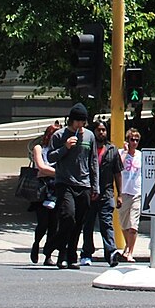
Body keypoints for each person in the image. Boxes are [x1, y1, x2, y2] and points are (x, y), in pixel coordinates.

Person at [45, 102, 99, 269]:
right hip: (65, 182)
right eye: (77, 121)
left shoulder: (89, 136)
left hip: (84, 184)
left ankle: (70, 256)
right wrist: (65, 147)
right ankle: (58, 250)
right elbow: (51, 157)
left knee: (78, 223)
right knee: (68, 217)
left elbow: (94, 161)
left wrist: (95, 186)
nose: (80, 125)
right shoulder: (60, 135)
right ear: (71, 121)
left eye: (83, 122)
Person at [80, 120, 123, 267]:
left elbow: (118, 173)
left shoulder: (112, 150)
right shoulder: (87, 148)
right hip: (89, 192)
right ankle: (86, 253)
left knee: (107, 224)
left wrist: (120, 194)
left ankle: (111, 253)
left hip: (106, 193)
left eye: (104, 130)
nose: (101, 132)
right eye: (98, 130)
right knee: (88, 224)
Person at [28, 121, 59, 266]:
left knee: (54, 224)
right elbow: (41, 167)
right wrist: (61, 173)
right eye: (53, 135)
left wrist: (53, 174)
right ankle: (36, 243)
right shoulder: (39, 148)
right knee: (43, 223)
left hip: (57, 190)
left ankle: (48, 254)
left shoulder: (61, 151)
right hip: (42, 191)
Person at [117, 127, 143, 262]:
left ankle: (130, 252)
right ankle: (127, 246)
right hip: (123, 193)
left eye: (136, 140)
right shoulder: (121, 153)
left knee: (133, 225)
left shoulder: (141, 155)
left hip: (136, 193)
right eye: (132, 139)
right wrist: (126, 152)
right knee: (124, 224)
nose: (134, 142)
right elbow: (117, 167)